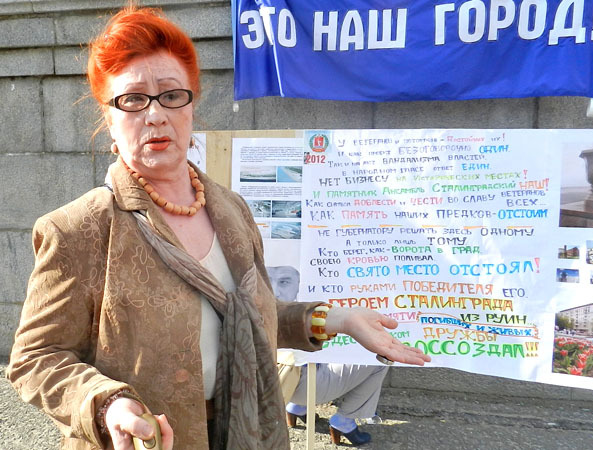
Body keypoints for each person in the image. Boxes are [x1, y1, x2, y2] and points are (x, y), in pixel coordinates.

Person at [6, 5, 431, 450]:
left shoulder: (232, 209)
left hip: (244, 430)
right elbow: (35, 357)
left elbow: (252, 316)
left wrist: (338, 319)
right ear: (110, 120)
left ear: (191, 106)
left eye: (171, 95)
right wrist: (107, 404)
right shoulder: (79, 229)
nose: (155, 115)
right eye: (132, 99)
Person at [268, 266, 389, 446]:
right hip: (302, 386)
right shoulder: (303, 312)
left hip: (279, 387)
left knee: (320, 353)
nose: (276, 290)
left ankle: (297, 408)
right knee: (380, 359)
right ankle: (345, 421)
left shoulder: (254, 303)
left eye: (284, 282)